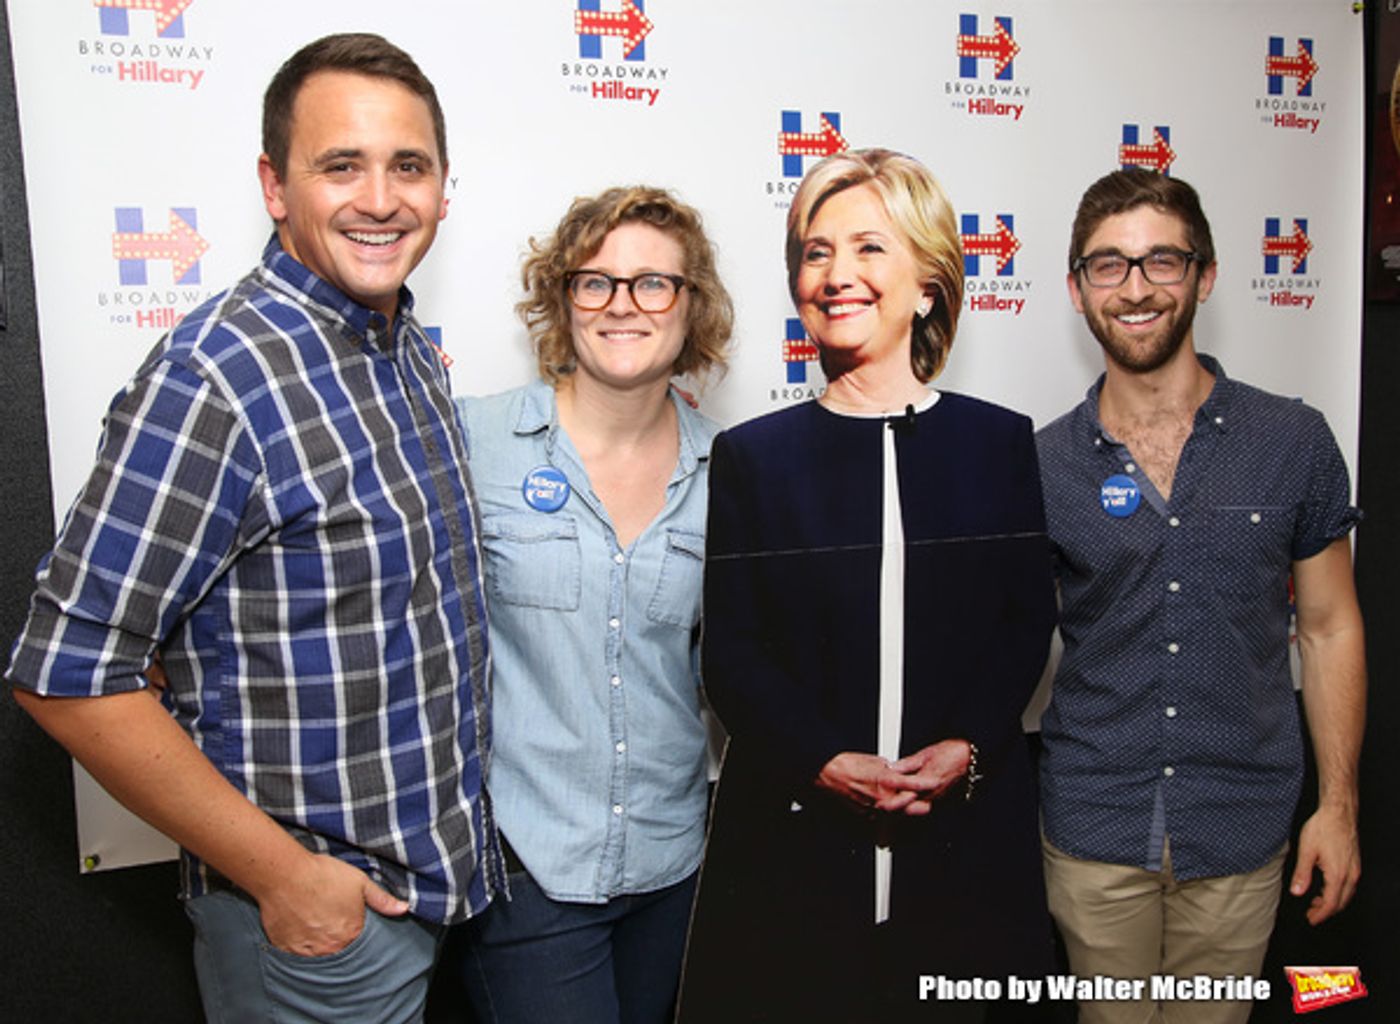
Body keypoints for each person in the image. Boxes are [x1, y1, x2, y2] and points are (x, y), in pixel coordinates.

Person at [5, 33, 503, 1024]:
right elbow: (65, 671)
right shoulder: (216, 381)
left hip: (425, 890)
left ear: (445, 186)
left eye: (408, 165)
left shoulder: (404, 352)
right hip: (314, 937)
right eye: (340, 165)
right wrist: (288, 879)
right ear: (275, 186)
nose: (380, 197)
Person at [678, 148, 1056, 1023]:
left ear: (928, 283)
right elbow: (731, 649)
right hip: (793, 852)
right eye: (815, 252)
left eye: (869, 248)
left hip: (964, 849)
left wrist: (971, 744)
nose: (837, 274)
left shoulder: (998, 444)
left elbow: (1022, 620)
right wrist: (817, 758)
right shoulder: (753, 457)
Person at [1036, 169, 1366, 1024]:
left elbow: (1329, 628)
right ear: (1078, 290)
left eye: (1161, 261)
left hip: (1242, 827)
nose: (1135, 287)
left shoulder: (1292, 440)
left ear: (1206, 275)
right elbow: (995, 640)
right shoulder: (1039, 465)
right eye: (1108, 266)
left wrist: (1338, 807)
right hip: (1096, 825)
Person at [447, 186, 733, 1023]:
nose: (622, 306)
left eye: (653, 283)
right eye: (595, 281)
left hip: (673, 866)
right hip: (525, 867)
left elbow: (747, 663)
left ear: (690, 307)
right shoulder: (472, 441)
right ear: (562, 300)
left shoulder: (734, 470)